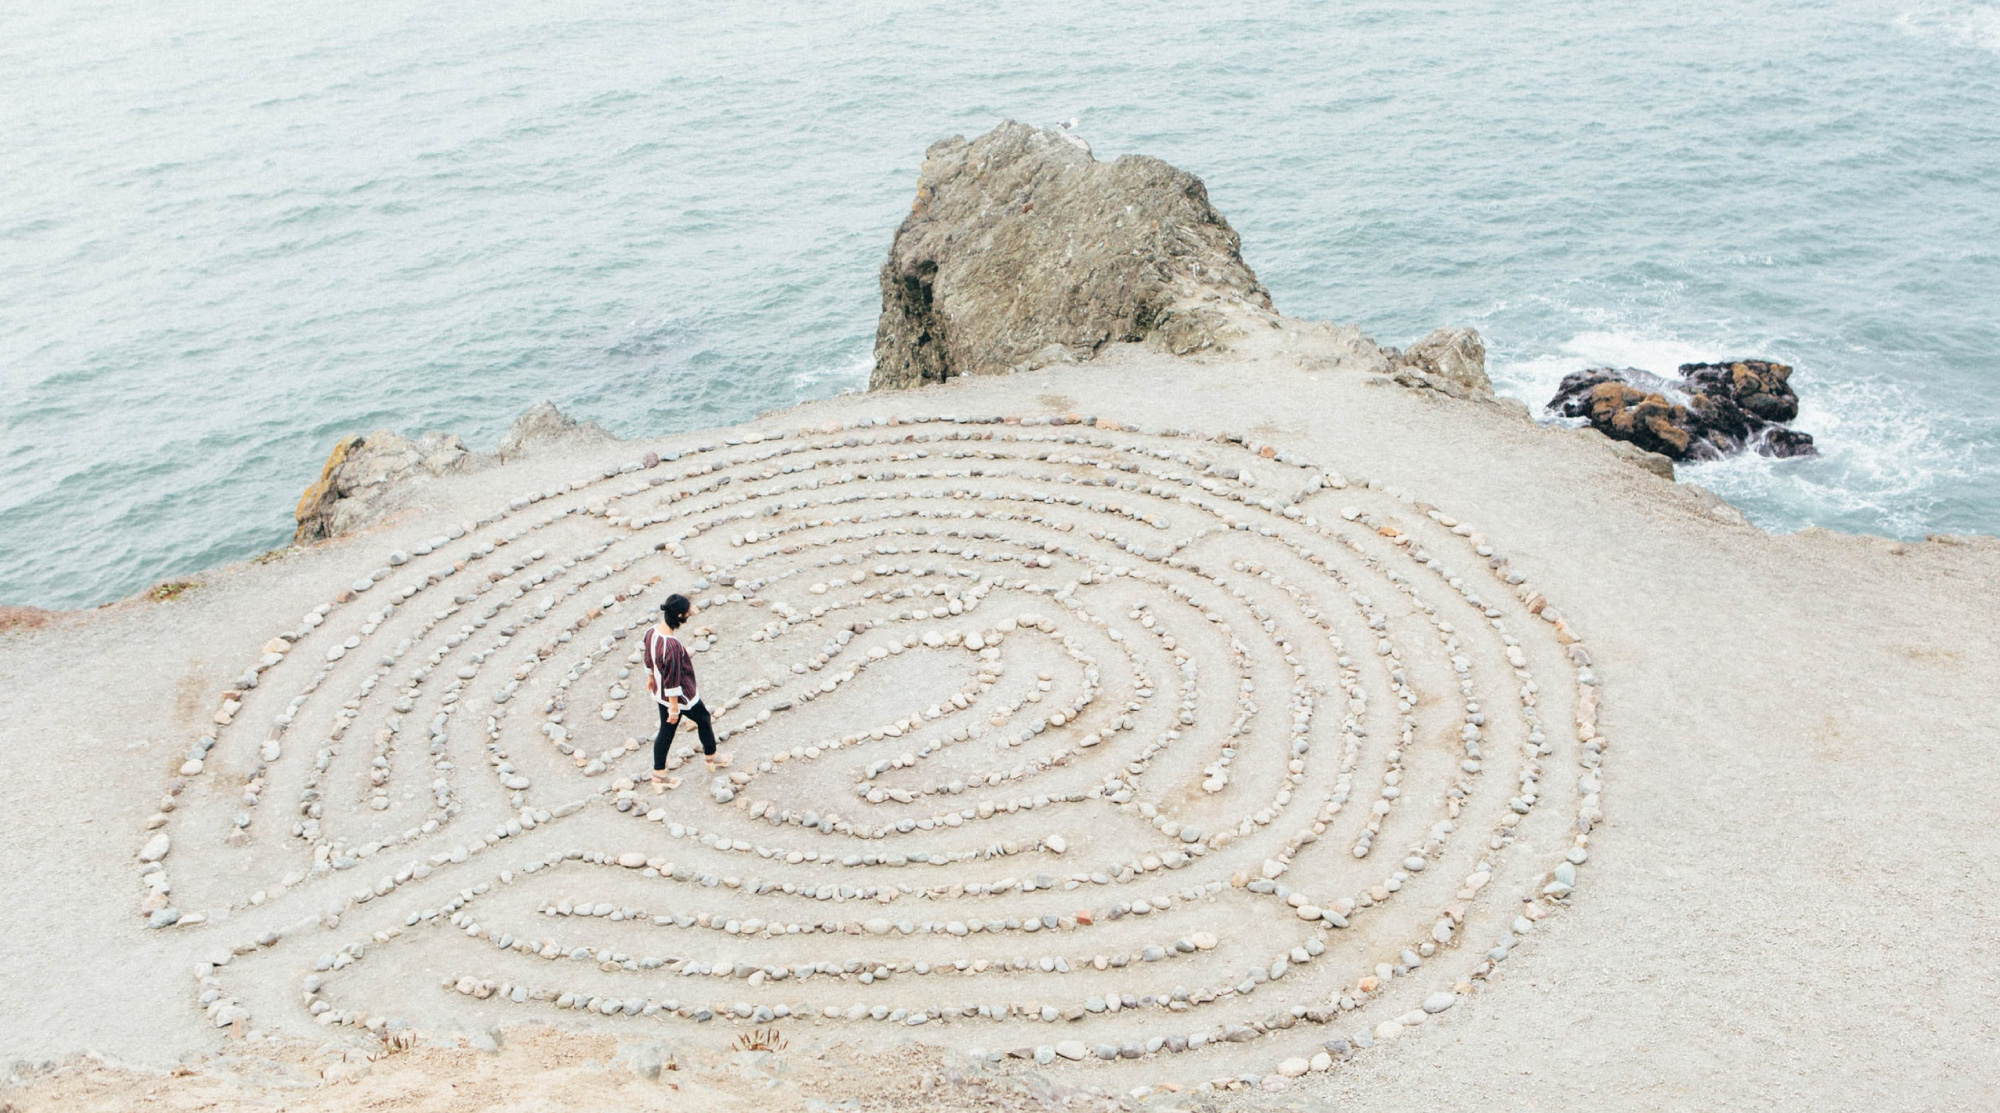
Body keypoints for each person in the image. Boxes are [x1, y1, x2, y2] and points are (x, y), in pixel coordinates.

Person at [643, 593, 726, 793]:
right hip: (681, 696)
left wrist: (651, 678)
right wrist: (674, 707)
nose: (690, 613)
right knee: (704, 718)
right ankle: (712, 757)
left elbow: (648, 657)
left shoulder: (652, 632)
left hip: (660, 692)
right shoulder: (672, 646)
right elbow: (673, 678)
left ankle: (659, 775)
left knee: (666, 731)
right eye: (687, 611)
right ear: (680, 615)